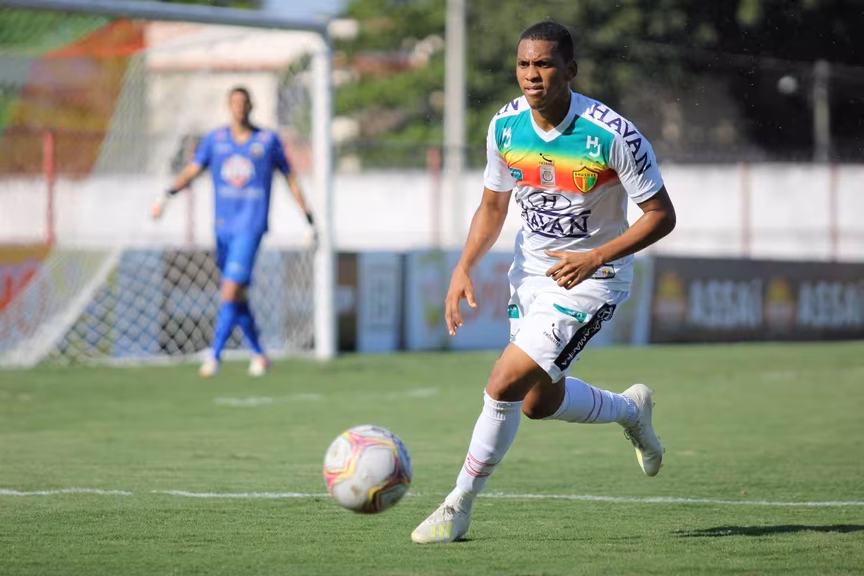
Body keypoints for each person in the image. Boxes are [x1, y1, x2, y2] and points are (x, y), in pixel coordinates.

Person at [410, 21, 677, 544]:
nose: (532, 75)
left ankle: (457, 504)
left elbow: (661, 215)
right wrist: (463, 266)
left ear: (570, 70)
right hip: (530, 273)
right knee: (537, 403)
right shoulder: (505, 126)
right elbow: (493, 206)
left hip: (592, 278)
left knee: (503, 383)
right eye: (524, 64)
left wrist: (596, 256)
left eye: (545, 64)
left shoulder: (613, 135)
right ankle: (630, 410)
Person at [151, 86, 316, 378]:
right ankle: (259, 354)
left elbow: (290, 178)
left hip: (251, 226)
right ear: (229, 107)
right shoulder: (215, 140)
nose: (240, 107)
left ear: (251, 106)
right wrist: (168, 195)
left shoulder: (267, 141)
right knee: (235, 295)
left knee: (229, 289)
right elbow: (193, 170)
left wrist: (308, 218)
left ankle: (214, 356)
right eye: (235, 102)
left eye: (244, 102)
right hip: (223, 227)